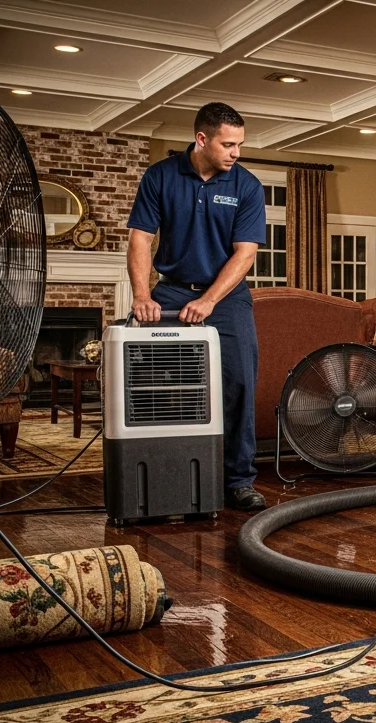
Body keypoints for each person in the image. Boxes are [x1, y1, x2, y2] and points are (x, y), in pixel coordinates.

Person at [126, 102, 267, 511]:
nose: (236, 152)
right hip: (170, 291)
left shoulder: (246, 185)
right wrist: (141, 295)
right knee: (153, 382)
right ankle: (163, 471)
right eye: (228, 144)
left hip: (225, 296)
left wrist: (208, 300)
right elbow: (140, 240)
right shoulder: (160, 176)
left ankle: (238, 480)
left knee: (239, 379)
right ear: (201, 139)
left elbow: (244, 254)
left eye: (240, 144)